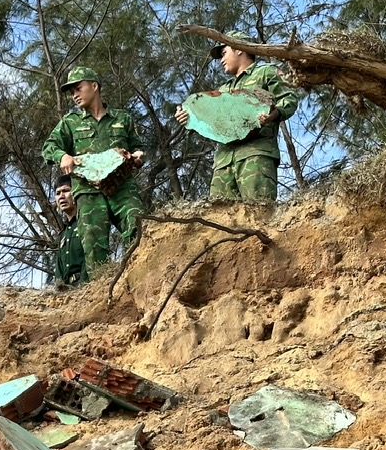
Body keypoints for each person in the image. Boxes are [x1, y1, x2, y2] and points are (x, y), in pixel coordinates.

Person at [42, 66, 145, 274]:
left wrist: (138, 156)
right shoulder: (70, 123)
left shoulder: (121, 118)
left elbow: (138, 146)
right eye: (72, 92)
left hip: (121, 187)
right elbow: (48, 147)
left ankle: (136, 274)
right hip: (88, 193)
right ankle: (103, 294)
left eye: (78, 88)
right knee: (94, 249)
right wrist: (62, 156)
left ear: (94, 86)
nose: (75, 95)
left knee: (138, 223)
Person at [175, 31, 298, 200]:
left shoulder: (266, 73)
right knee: (220, 218)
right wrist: (188, 118)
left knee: (259, 212)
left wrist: (274, 114)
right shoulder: (222, 90)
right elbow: (212, 121)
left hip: (255, 155)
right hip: (223, 162)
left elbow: (289, 99)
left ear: (239, 49)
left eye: (224, 53)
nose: (221, 61)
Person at [52, 174, 87, 288]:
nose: (61, 196)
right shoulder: (63, 234)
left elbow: (91, 257)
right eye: (58, 193)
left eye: (66, 191)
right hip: (67, 291)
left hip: (85, 287)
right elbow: (59, 269)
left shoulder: (86, 223)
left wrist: (83, 286)